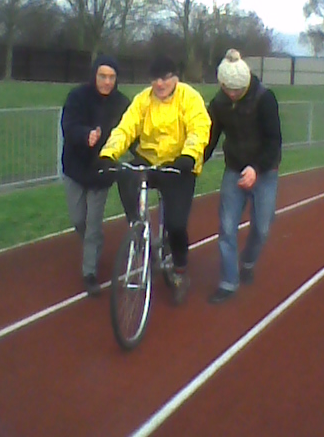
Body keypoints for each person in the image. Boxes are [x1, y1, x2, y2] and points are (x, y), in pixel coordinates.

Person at [99, 55, 211, 305]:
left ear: (176, 78)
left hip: (178, 164)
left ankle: (180, 270)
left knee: (176, 224)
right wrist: (109, 154)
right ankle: (138, 227)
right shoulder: (143, 100)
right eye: (155, 79)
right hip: (149, 159)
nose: (159, 84)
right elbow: (126, 128)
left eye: (165, 78)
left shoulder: (189, 98)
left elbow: (199, 129)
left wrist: (189, 155)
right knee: (125, 175)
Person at [204, 49, 282, 304]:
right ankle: (228, 281)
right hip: (234, 169)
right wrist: (195, 162)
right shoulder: (219, 103)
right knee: (227, 227)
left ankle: (247, 261)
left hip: (264, 171)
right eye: (228, 90)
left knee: (262, 228)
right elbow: (210, 138)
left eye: (237, 90)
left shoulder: (264, 98)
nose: (233, 94)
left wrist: (256, 168)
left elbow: (274, 141)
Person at [61, 54, 130, 297]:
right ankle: (95, 245)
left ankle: (89, 272)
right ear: (94, 75)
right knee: (78, 219)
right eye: (102, 76)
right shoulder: (77, 97)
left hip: (102, 171)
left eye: (112, 77)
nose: (107, 82)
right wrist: (86, 135)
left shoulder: (122, 103)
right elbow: (69, 126)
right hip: (75, 168)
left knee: (92, 223)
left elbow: (132, 131)